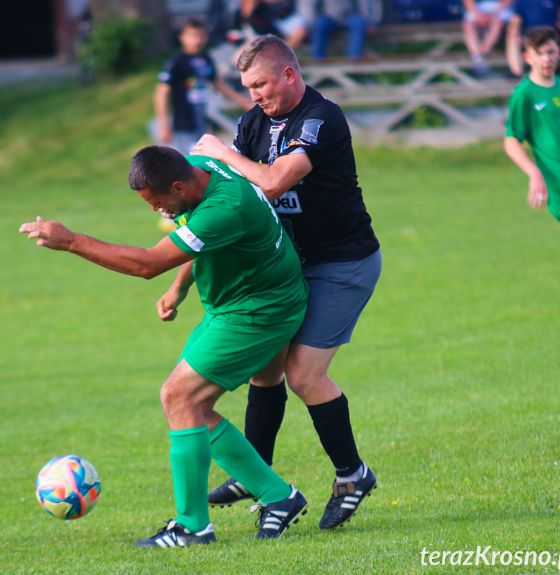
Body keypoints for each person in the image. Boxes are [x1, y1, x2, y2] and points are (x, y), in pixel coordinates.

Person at [20, 146, 310, 547]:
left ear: (177, 185)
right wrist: (180, 287)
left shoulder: (224, 207)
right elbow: (199, 239)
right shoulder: (203, 172)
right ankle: (279, 497)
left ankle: (193, 526)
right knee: (193, 407)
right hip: (240, 302)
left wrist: (71, 241)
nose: (156, 210)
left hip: (260, 310)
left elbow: (147, 264)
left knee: (178, 395)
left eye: (157, 202)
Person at [190, 34, 381, 530]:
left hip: (341, 263)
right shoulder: (252, 122)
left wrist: (221, 152)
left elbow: (273, 181)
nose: (253, 94)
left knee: (304, 375)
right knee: (266, 367)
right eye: (247, 86)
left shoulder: (321, 117)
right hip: (289, 263)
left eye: (260, 84)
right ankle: (258, 475)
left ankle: (352, 474)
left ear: (289, 75)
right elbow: (233, 197)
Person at [504, 26, 560, 322]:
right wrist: (533, 171)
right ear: (528, 57)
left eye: (551, 52)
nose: (546, 59)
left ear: (559, 52)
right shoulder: (525, 94)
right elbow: (511, 140)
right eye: (540, 54)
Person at [155, 17, 251, 155]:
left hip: (202, 120)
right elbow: (161, 93)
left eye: (200, 36)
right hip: (184, 124)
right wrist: (164, 125)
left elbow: (218, 83)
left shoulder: (206, 58)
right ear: (182, 38)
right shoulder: (176, 62)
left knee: (204, 161)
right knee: (189, 163)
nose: (197, 40)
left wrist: (244, 102)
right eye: (193, 36)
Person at [506, 0, 560, 76]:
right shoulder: (521, 1)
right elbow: (516, 21)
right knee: (512, 38)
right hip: (530, 36)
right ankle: (516, 73)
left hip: (550, 35)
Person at [462, 0, 515, 76]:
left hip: (500, 8)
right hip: (478, 8)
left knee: (497, 23)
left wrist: (493, 13)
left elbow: (507, 1)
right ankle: (478, 58)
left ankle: (482, 55)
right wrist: (478, 16)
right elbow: (468, 2)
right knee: (468, 25)